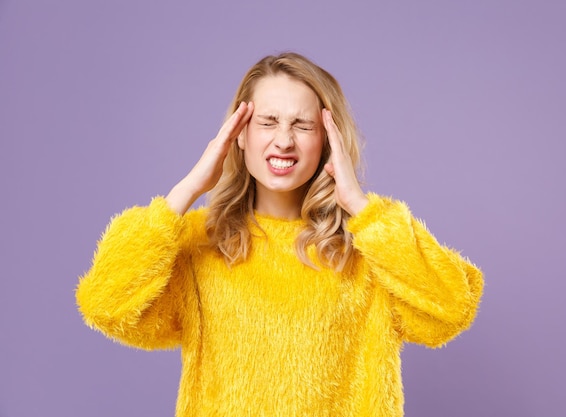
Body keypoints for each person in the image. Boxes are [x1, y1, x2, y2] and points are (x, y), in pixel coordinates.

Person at [76, 52, 484, 417]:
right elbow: (105, 305)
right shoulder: (200, 244)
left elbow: (452, 307)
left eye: (302, 124)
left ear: (328, 138)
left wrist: (361, 207)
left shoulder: (370, 246)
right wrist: (188, 188)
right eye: (267, 121)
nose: (284, 140)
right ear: (238, 133)